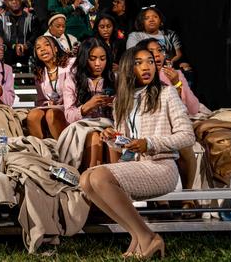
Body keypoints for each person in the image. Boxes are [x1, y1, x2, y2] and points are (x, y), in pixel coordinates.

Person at [79, 47, 195, 259]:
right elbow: (126, 144)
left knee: (98, 176)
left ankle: (149, 237)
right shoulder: (124, 100)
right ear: (127, 68)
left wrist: (149, 143)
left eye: (150, 62)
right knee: (86, 180)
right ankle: (138, 236)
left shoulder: (166, 93)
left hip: (161, 167)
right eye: (139, 62)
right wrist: (113, 138)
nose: (146, 67)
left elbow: (187, 136)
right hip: (135, 164)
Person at [137, 38, 200, 216]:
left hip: (176, 123)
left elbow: (193, 109)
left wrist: (178, 84)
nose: (157, 55)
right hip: (152, 126)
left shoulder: (174, 74)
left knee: (185, 145)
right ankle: (160, 201)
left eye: (160, 50)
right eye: (151, 52)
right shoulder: (140, 75)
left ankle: (187, 198)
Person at [62, 38, 117, 168]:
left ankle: (115, 178)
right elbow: (69, 115)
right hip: (83, 127)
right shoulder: (72, 79)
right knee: (94, 136)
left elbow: (127, 113)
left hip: (110, 125)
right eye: (92, 59)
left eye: (102, 59)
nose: (98, 64)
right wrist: (87, 106)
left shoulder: (115, 78)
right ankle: (90, 177)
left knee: (111, 135)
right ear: (84, 59)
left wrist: (115, 105)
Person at [27, 36, 72, 139]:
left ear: (55, 49)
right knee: (33, 115)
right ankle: (41, 149)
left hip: (71, 106)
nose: (42, 49)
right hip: (54, 107)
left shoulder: (70, 64)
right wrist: (48, 103)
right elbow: (41, 100)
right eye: (38, 48)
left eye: (47, 45)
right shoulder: (40, 73)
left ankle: (63, 149)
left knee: (52, 114)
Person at [0, 0, 39, 66]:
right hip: (7, 54)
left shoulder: (31, 17)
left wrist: (26, 45)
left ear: (21, 1)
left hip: (27, 52)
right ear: (7, 3)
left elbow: (36, 34)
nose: (14, 2)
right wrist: (14, 46)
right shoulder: (1, 18)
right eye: (11, 0)